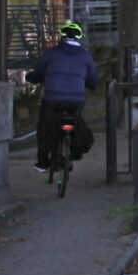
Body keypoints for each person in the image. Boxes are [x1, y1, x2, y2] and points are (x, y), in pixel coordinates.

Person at [26, 20, 100, 174]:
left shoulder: (51, 53)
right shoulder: (85, 56)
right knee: (76, 123)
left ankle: (42, 162)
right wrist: (90, 85)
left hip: (52, 99)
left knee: (44, 127)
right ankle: (75, 151)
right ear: (79, 37)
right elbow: (93, 80)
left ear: (62, 36)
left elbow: (39, 73)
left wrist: (30, 78)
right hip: (76, 100)